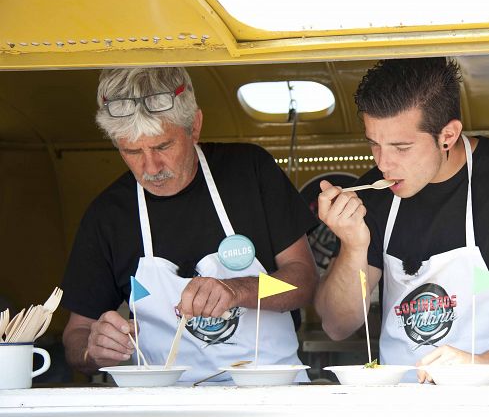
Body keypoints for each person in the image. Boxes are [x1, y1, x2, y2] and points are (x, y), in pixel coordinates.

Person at [314, 58, 489, 383]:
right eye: (374, 144)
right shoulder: (373, 197)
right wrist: (353, 247)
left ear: (448, 135)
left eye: (401, 148)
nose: (384, 164)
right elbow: (336, 325)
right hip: (400, 397)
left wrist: (484, 366)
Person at [61, 67, 318, 383]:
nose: (151, 167)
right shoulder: (108, 216)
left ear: (194, 126)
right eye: (132, 151)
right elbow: (77, 332)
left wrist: (238, 290)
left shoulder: (250, 172)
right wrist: (92, 348)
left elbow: (303, 281)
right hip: (163, 401)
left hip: (271, 390)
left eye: (163, 146)